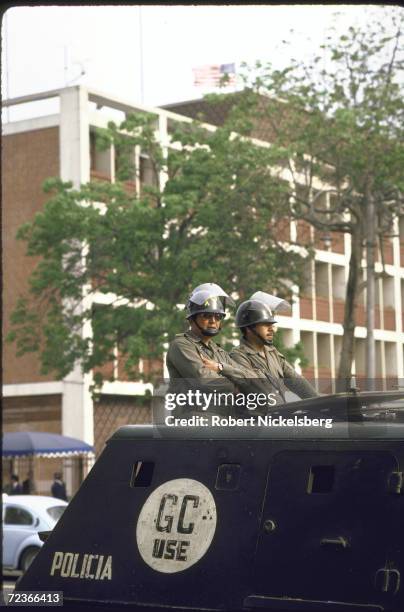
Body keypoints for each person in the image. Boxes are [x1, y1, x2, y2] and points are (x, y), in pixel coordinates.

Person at [166, 283, 267, 416]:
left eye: (218, 316)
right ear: (192, 319)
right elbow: (204, 380)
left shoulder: (219, 352)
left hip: (225, 421)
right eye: (206, 316)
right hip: (195, 420)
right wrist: (237, 387)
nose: (213, 321)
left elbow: (256, 380)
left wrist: (221, 368)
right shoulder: (181, 345)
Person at [230, 292, 319, 404]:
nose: (272, 329)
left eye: (271, 325)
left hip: (279, 414)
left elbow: (297, 382)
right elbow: (259, 390)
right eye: (265, 324)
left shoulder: (273, 353)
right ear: (249, 328)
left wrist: (319, 402)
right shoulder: (238, 356)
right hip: (257, 418)